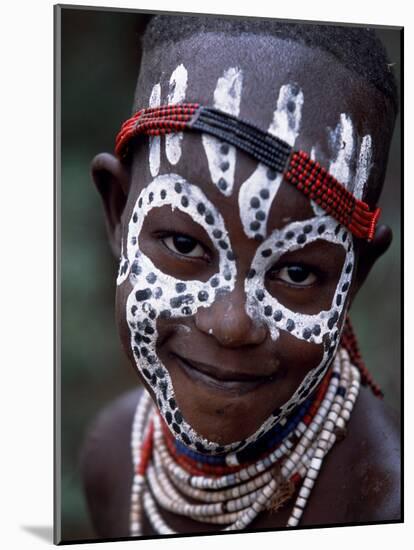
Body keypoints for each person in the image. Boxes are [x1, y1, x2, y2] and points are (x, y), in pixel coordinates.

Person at [80, 14, 400, 539]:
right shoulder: (112, 458)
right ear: (119, 213)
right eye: (185, 244)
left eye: (296, 271)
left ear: (353, 277)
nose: (231, 324)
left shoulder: (388, 503)